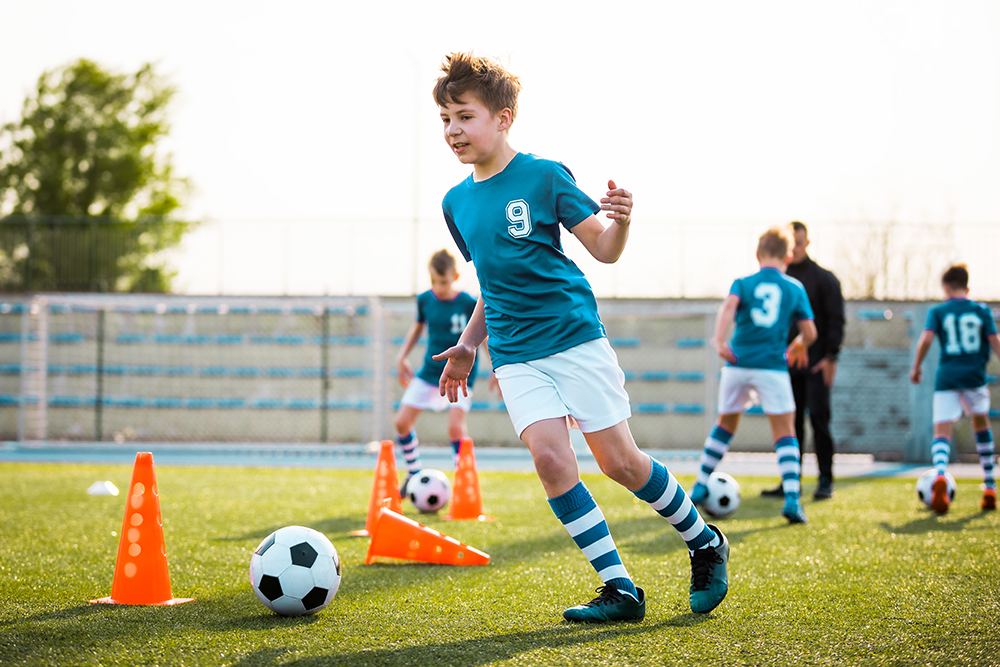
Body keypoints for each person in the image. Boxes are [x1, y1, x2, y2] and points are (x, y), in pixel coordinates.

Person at [430, 52, 729, 624]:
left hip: (572, 337)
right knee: (550, 459)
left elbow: (603, 249)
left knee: (620, 462)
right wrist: (470, 344)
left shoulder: (545, 175)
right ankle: (620, 589)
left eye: (464, 117)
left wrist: (622, 221)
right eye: (445, 119)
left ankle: (704, 540)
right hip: (515, 354)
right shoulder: (455, 201)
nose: (453, 131)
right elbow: (492, 282)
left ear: (503, 117)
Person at [689, 226, 817, 524]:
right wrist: (796, 345)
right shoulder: (794, 287)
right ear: (788, 256)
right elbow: (810, 333)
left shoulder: (742, 283)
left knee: (725, 426)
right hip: (772, 367)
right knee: (785, 432)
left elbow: (729, 307)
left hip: (738, 364)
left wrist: (719, 341)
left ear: (758, 254)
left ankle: (699, 484)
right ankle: (792, 499)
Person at [761, 221, 845, 500]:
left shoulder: (824, 279)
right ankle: (790, 483)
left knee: (820, 421)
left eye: (800, 242)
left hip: (816, 365)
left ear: (807, 244)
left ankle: (825, 481)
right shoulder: (774, 279)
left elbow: (836, 321)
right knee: (790, 424)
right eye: (791, 243)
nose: (795, 248)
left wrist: (830, 356)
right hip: (785, 366)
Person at [910, 263, 999, 513]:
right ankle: (990, 486)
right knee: (981, 427)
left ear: (946, 287)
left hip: (947, 377)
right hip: (975, 376)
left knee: (942, 431)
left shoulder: (939, 311)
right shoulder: (981, 310)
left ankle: (940, 473)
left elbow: (926, 339)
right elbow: (995, 341)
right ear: (967, 287)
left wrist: (916, 367)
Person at [394, 249, 482, 491]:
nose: (438, 287)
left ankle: (465, 482)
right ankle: (413, 473)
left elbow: (481, 336)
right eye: (433, 281)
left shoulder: (467, 303)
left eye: (442, 282)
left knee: (455, 427)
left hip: (459, 373)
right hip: (430, 371)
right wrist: (402, 357)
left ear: (455, 276)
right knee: (401, 422)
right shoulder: (425, 299)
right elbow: (416, 329)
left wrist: (496, 367)